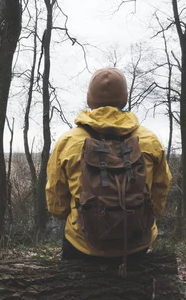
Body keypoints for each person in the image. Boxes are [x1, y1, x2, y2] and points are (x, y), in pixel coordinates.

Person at [45, 67, 172, 263]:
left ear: (90, 100)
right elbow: (160, 192)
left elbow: (56, 204)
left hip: (82, 245)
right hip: (136, 244)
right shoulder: (149, 140)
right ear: (124, 99)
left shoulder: (68, 142)